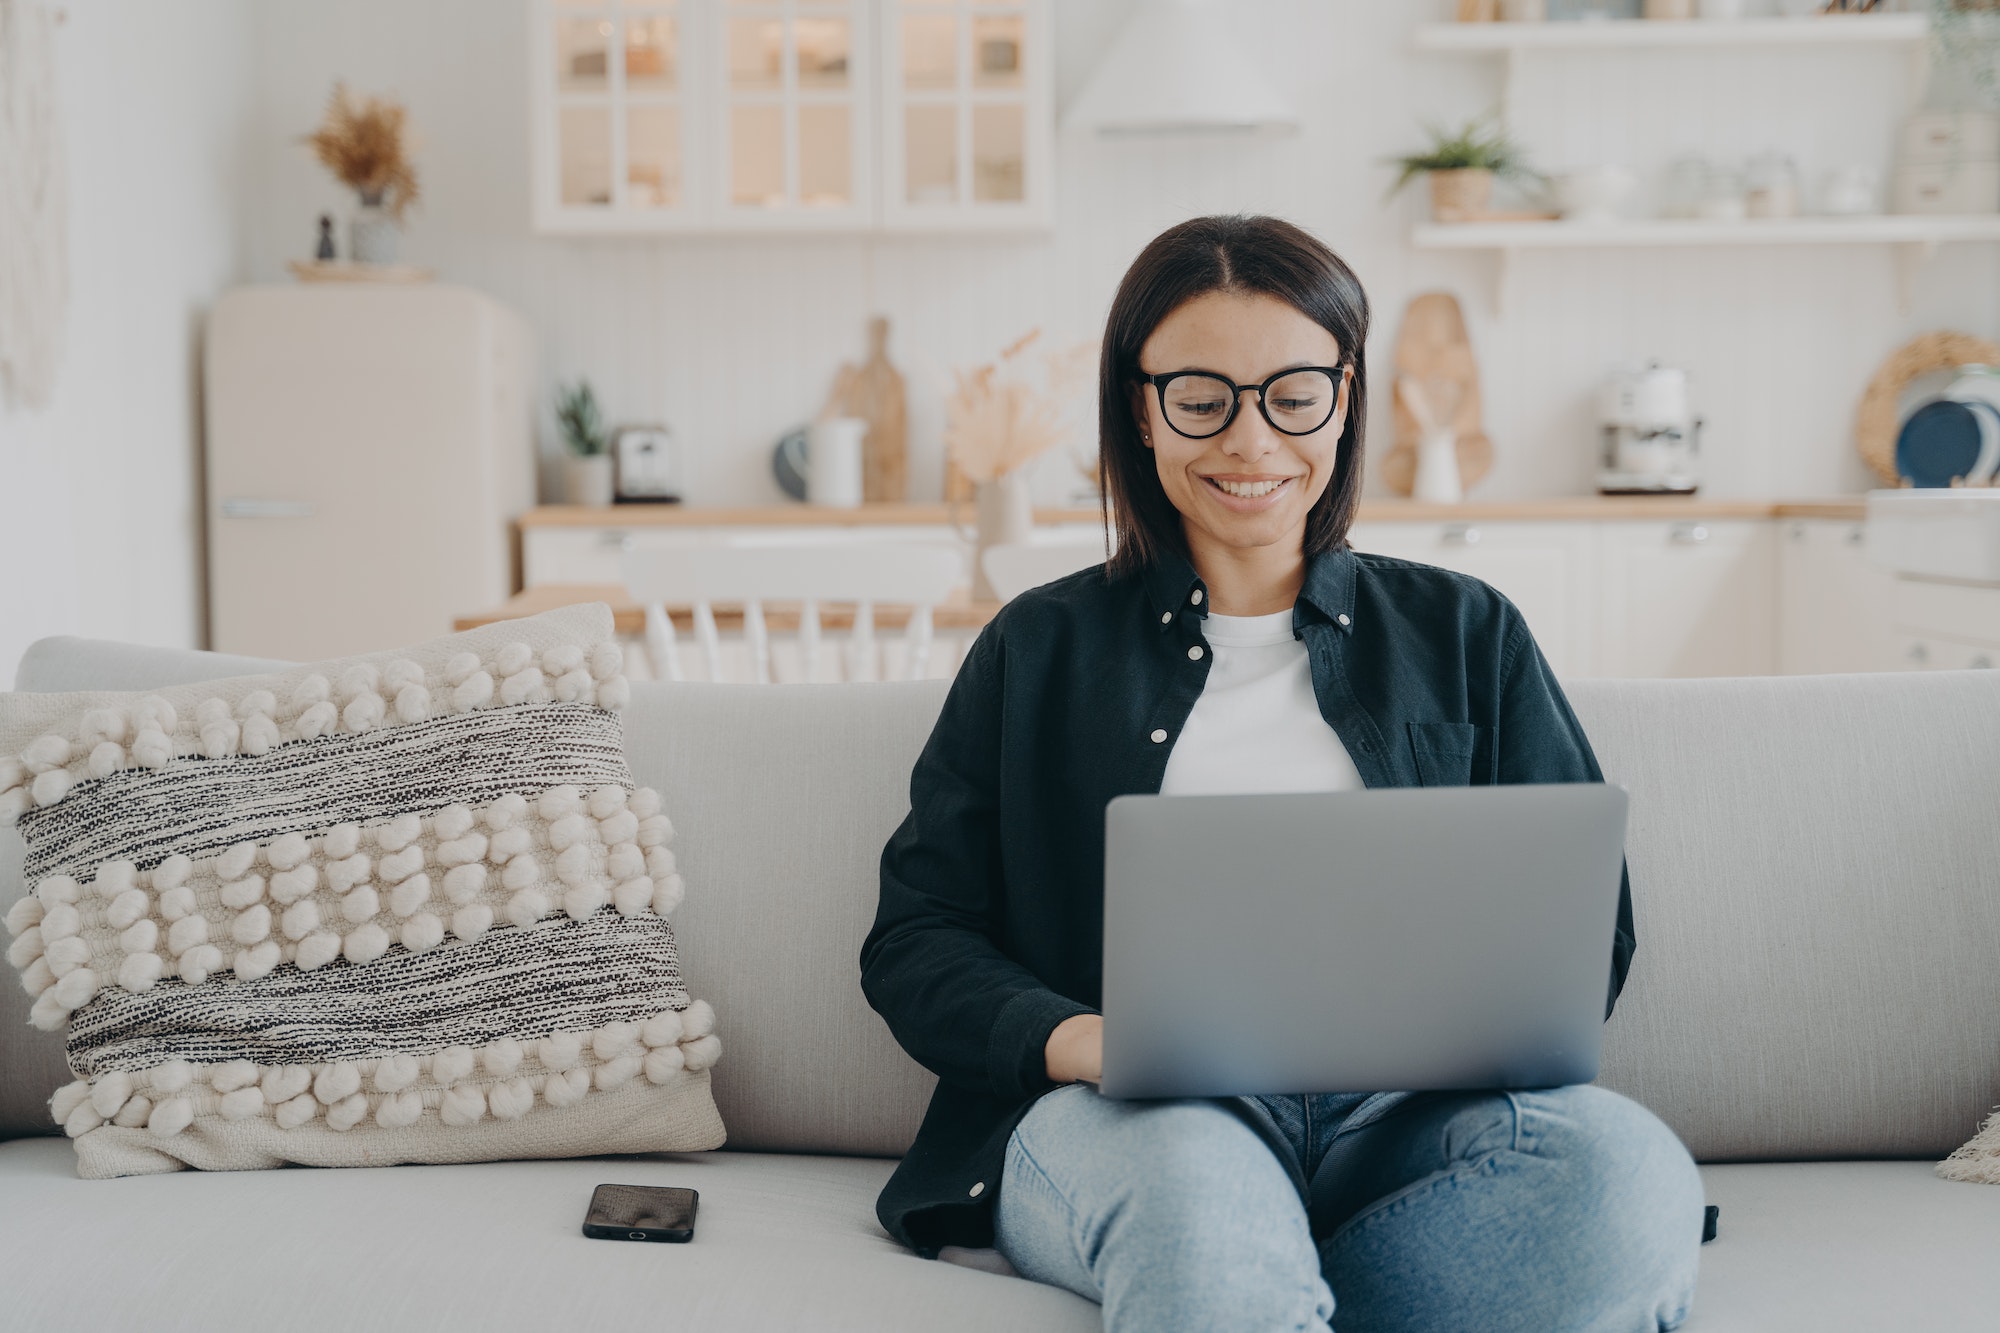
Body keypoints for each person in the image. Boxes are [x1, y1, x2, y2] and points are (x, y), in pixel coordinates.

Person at [860, 215, 1703, 1332]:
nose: (1251, 441)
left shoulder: (1466, 631)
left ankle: (1270, 1279)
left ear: (1344, 399)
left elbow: (1584, 928)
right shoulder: (1037, 646)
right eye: (1201, 398)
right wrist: (1080, 1039)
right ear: (1139, 409)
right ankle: (1239, 1260)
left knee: (1627, 1174)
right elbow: (917, 938)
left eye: (1291, 393)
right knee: (1200, 1203)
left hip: (1405, 1122)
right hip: (1135, 1117)